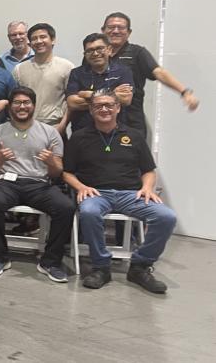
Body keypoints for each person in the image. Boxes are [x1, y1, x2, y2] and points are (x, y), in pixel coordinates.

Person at [63, 90, 176, 293]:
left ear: (118, 108)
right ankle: (101, 267)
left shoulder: (134, 136)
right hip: (96, 194)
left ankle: (140, 266)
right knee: (88, 212)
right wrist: (81, 187)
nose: (104, 109)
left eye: (108, 105)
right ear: (91, 110)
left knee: (166, 216)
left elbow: (148, 170)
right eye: (98, 106)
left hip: (131, 194)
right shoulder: (79, 138)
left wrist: (147, 188)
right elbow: (67, 172)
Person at [0, 87, 75, 282]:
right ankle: (0, 255)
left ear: (34, 105)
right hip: (5, 182)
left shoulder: (50, 133)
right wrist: (0, 158)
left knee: (66, 207)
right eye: (17, 102)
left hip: (39, 183)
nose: (22, 107)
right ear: (10, 106)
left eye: (26, 102)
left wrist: (51, 162)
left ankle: (50, 261)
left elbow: (56, 172)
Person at [101, 12, 199, 138]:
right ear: (103, 30)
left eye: (120, 28)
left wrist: (184, 92)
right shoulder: (95, 55)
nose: (115, 31)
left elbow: (159, 72)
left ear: (129, 32)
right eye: (111, 27)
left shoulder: (137, 53)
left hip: (131, 119)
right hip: (100, 119)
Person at [13, 23, 73, 135]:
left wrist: (63, 125)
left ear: (53, 40)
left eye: (43, 37)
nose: (39, 41)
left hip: (55, 127)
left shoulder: (67, 67)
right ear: (29, 43)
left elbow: (71, 102)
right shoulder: (19, 69)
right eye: (34, 38)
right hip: (26, 128)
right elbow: (14, 101)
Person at [66, 33, 133, 133]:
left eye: (100, 48)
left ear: (109, 50)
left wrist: (89, 94)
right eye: (90, 50)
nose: (95, 53)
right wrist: (112, 96)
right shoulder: (77, 73)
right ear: (85, 54)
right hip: (82, 131)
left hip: (115, 132)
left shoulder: (123, 71)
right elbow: (72, 103)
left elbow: (126, 99)